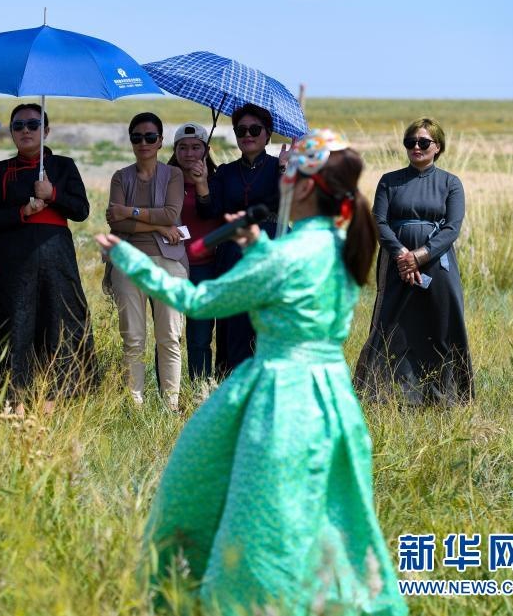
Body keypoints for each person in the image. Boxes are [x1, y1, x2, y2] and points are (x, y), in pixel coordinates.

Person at [96, 130, 407, 615]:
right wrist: (260, 250)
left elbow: (198, 300)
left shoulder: (288, 255)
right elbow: (293, 298)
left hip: (281, 400)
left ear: (304, 187)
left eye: (288, 174)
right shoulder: (338, 244)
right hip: (332, 398)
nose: (281, 182)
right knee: (327, 513)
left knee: (255, 514)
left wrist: (128, 259)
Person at [0, 103, 95, 407]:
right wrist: (22, 211)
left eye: (33, 125)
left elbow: (81, 210)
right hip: (14, 260)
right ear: (11, 132)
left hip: (57, 257)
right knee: (16, 324)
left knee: (59, 321)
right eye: (18, 126)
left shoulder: (64, 166)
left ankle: (53, 400)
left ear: (46, 130)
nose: (26, 131)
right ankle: (14, 401)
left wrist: (52, 194)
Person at [355, 118, 474, 404]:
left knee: (442, 323)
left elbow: (452, 228)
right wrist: (402, 255)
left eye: (423, 142)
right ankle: (382, 394)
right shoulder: (389, 180)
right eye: (410, 142)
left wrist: (420, 255)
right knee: (390, 323)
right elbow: (379, 221)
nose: (416, 147)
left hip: (438, 263)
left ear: (438, 147)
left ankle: (447, 397)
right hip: (395, 263)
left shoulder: (450, 183)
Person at [194, 104, 289, 373]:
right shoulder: (225, 172)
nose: (247, 135)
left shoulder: (279, 167)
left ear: (267, 134)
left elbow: (289, 206)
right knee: (234, 325)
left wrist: (285, 171)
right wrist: (202, 183)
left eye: (254, 130)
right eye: (241, 130)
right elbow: (209, 211)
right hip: (233, 255)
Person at [106, 113, 187, 410]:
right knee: (133, 338)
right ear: (131, 141)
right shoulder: (120, 176)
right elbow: (115, 222)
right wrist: (160, 227)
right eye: (137, 137)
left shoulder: (173, 175)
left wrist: (131, 211)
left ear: (161, 141)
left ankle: (171, 405)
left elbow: (170, 213)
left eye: (150, 137)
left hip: (169, 263)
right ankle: (135, 405)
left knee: (170, 337)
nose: (144, 143)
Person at [167, 121, 221, 389]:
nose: (189, 153)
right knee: (170, 336)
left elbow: (211, 213)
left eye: (196, 147)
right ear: (175, 151)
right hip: (172, 266)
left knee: (200, 337)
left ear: (206, 150)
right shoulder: (164, 182)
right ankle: (170, 395)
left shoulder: (218, 181)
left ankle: (199, 390)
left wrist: (202, 184)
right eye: (183, 147)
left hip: (205, 268)